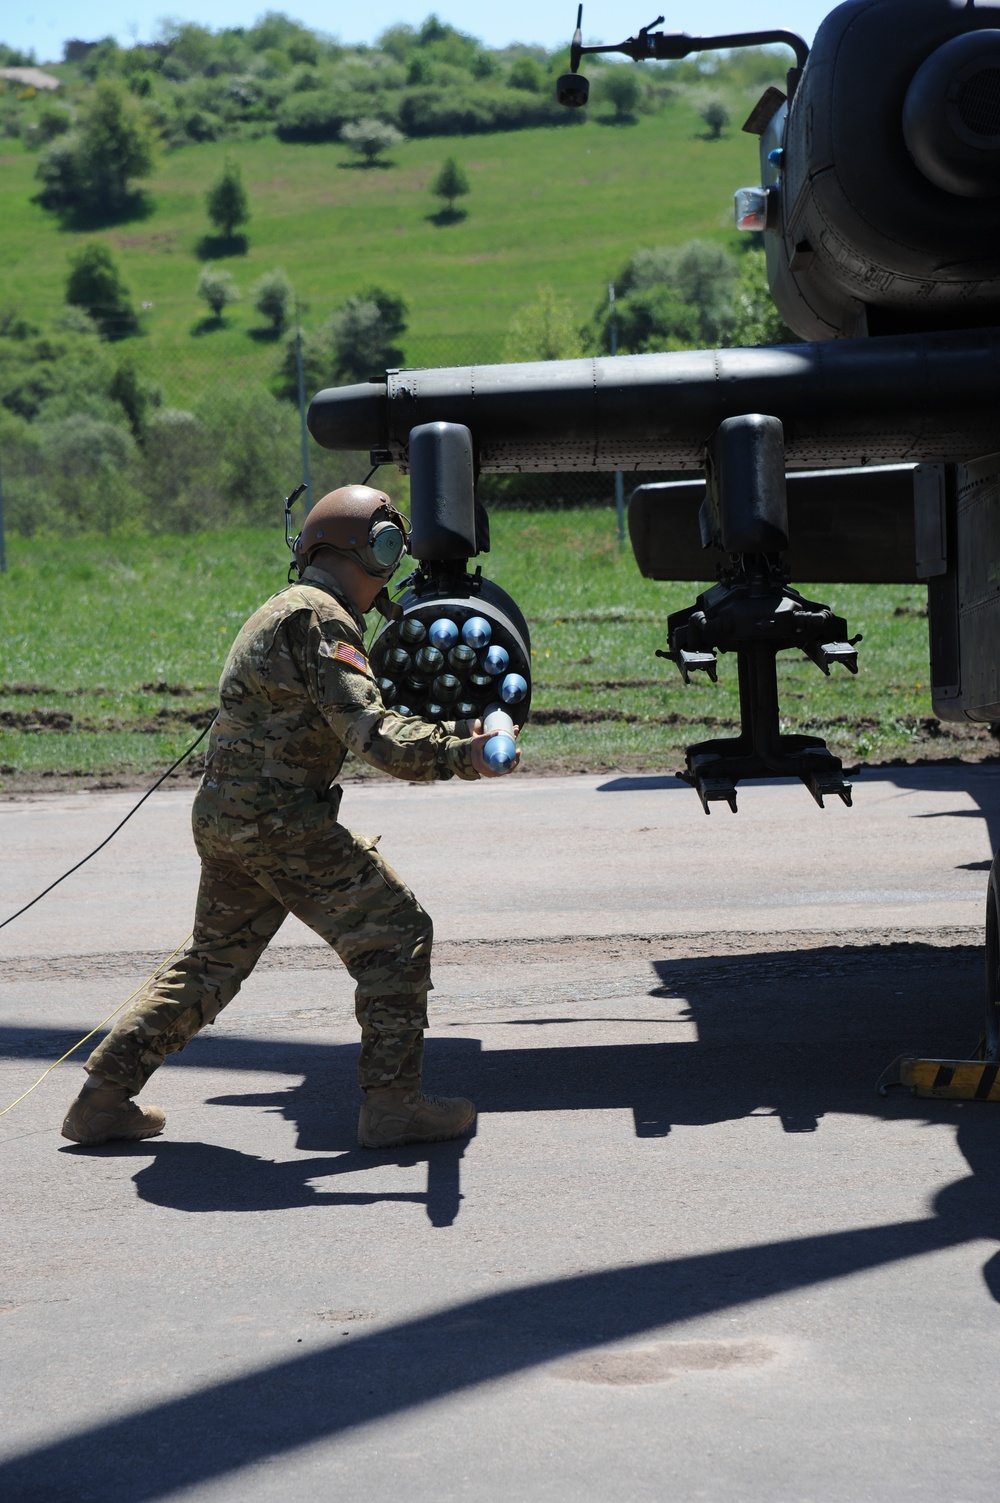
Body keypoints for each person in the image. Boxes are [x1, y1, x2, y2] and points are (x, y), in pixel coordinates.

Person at [61, 485, 517, 1151]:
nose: (390, 568)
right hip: (278, 824)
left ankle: (102, 1097)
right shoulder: (320, 619)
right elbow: (373, 735)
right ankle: (392, 1105)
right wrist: (463, 754)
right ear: (355, 551)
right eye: (386, 548)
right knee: (395, 932)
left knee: (212, 961)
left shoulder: (286, 610)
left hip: (229, 818)